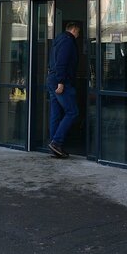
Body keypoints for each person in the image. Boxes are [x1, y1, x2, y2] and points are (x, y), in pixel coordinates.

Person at [46, 21, 81, 159]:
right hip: (61, 80)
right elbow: (62, 62)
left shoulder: (58, 40)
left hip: (52, 78)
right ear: (74, 30)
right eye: (78, 32)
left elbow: (53, 61)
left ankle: (54, 146)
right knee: (72, 112)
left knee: (55, 113)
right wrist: (61, 82)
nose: (78, 35)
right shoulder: (68, 41)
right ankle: (56, 142)